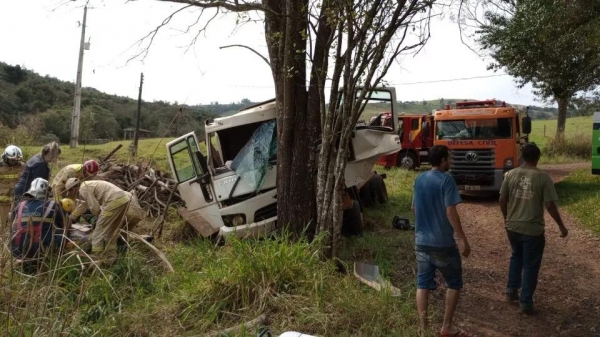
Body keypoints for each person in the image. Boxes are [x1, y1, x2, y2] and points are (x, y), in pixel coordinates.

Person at [499, 143, 568, 315]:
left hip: (512, 227)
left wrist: (506, 217)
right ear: (538, 158)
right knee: (530, 265)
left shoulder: (510, 174)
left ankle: (511, 291)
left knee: (516, 256)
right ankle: (526, 303)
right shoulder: (543, 178)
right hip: (532, 231)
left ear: (522, 156)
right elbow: (550, 205)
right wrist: (561, 226)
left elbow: (502, 198)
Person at [412, 145, 471, 337]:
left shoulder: (419, 178)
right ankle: (446, 326)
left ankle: (422, 329)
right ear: (443, 160)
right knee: (454, 282)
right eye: (450, 158)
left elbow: (414, 208)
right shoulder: (447, 180)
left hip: (421, 242)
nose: (451, 161)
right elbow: (450, 211)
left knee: (422, 283)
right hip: (443, 244)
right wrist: (462, 238)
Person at [65, 178, 144, 256]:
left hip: (113, 201)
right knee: (111, 231)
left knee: (98, 231)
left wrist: (98, 220)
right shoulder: (87, 185)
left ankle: (97, 256)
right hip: (124, 199)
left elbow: (94, 207)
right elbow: (83, 206)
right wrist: (72, 217)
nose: (70, 193)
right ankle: (110, 257)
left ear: (73, 187)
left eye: (70, 190)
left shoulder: (83, 188)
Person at [10, 178, 67, 262]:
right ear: (47, 192)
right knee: (63, 234)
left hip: (17, 251)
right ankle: (54, 261)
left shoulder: (20, 205)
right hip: (40, 251)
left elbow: (11, 225)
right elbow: (64, 225)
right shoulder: (52, 205)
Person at [0, 145, 25, 226]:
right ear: (5, 157)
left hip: (18, 200)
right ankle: (3, 238)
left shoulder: (23, 167)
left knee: (18, 223)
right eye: (12, 160)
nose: (14, 162)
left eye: (16, 160)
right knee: (4, 224)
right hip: (3, 202)